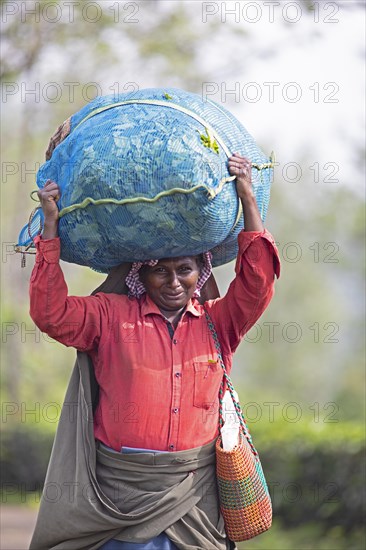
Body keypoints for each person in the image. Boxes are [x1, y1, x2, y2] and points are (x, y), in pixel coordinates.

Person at [29, 153, 280, 550]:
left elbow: (257, 284)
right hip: (120, 496)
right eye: (160, 270)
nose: (174, 281)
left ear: (201, 273)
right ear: (140, 274)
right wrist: (50, 226)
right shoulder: (111, 317)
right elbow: (51, 313)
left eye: (185, 269)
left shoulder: (218, 322)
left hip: (195, 498)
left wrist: (247, 197)